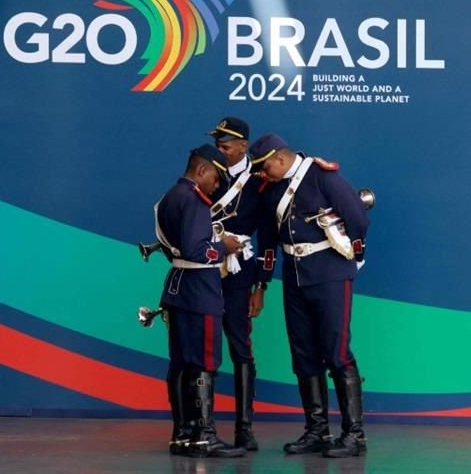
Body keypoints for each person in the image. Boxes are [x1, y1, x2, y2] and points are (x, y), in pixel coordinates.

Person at [249, 133, 370, 458]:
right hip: (295, 278)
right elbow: (268, 243)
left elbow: (357, 216)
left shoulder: (321, 175)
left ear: (278, 158)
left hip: (331, 274)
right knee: (303, 354)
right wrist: (262, 283)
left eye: (264, 168)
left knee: (336, 352)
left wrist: (355, 258)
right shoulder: (270, 189)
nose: (262, 175)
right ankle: (316, 430)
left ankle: (354, 434)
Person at [155, 144, 246, 458]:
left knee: (180, 364)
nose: (217, 186)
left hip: (177, 287)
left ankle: (182, 435)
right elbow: (198, 250)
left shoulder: (169, 198)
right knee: (205, 363)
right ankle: (205, 436)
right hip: (199, 290)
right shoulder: (194, 201)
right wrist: (225, 247)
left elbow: (174, 247)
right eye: (216, 179)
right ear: (203, 170)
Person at [207, 117, 275, 450]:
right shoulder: (209, 174)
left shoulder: (259, 182)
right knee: (203, 347)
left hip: (239, 274)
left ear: (242, 145)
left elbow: (269, 238)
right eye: (218, 145)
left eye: (226, 145)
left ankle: (244, 428)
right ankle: (202, 427)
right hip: (205, 269)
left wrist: (261, 285)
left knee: (240, 348)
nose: (220, 150)